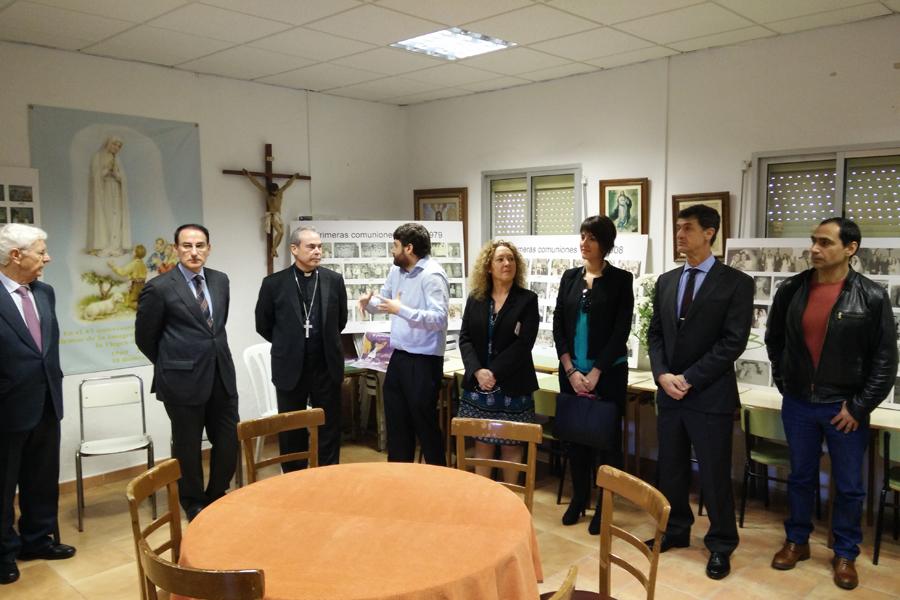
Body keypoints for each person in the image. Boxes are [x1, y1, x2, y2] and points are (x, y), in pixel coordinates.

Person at [765, 218, 897, 590]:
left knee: (850, 485)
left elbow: (885, 360)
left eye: (825, 242)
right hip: (799, 403)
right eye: (813, 241)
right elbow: (775, 340)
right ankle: (797, 541)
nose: (815, 249)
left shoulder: (870, 296)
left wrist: (858, 407)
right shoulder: (792, 289)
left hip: (844, 407)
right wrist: (783, 380)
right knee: (801, 477)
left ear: (850, 248)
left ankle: (845, 553)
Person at [647, 204, 753, 580]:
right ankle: (676, 529)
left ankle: (722, 543)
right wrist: (662, 376)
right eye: (677, 228)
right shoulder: (667, 281)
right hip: (669, 394)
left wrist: (688, 378)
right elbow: (655, 334)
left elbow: (732, 343)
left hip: (709, 396)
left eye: (687, 228)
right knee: (671, 469)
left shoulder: (736, 283)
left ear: (709, 233)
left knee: (715, 474)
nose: (679, 235)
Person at [135, 224, 239, 521]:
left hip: (221, 374)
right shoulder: (159, 287)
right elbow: (145, 338)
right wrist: (172, 363)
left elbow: (215, 329)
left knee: (228, 440)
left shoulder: (220, 281)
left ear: (209, 248)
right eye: (187, 246)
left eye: (200, 245)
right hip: (182, 380)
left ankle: (217, 494)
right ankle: (192, 502)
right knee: (188, 446)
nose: (194, 252)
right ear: (176, 249)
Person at [0, 224, 75, 585]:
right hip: (6, 407)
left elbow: (46, 348)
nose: (47, 257)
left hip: (46, 400)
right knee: (3, 485)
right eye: (41, 251)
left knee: (42, 478)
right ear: (16, 256)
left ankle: (37, 540)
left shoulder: (45, 293)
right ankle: (2, 553)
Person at [553, 216, 634, 535]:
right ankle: (579, 498)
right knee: (576, 438)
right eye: (582, 236)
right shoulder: (569, 277)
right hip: (571, 372)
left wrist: (597, 371)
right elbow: (559, 324)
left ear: (606, 244)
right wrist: (571, 369)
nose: (584, 243)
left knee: (606, 441)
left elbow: (620, 331)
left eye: (591, 238)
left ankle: (605, 505)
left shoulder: (621, 280)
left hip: (608, 373)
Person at [255, 227, 348, 468]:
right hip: (290, 366)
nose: (317, 251)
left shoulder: (333, 280)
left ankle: (328, 476)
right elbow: (263, 324)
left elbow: (341, 321)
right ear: (294, 249)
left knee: (329, 426)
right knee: (291, 427)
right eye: (311, 247)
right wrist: (290, 343)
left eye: (319, 247)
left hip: (325, 365)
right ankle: (294, 477)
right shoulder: (273, 284)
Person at [358, 223, 449, 465]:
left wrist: (403, 311)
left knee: (425, 425)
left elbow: (439, 319)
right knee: (397, 423)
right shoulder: (396, 272)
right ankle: (400, 480)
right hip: (399, 357)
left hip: (424, 361)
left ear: (409, 248)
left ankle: (439, 482)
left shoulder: (432, 274)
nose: (392, 251)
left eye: (395, 246)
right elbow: (386, 303)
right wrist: (369, 303)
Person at [458, 240, 540, 483]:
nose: (507, 263)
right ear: (489, 267)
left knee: (511, 448)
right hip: (478, 386)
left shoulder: (527, 300)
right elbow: (465, 339)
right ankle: (483, 505)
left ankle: (509, 503)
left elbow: (524, 344)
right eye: (501, 259)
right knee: (482, 447)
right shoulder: (476, 298)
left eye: (511, 259)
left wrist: (492, 372)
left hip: (513, 386)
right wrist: (477, 372)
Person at [87, 136, 131, 257]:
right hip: (105, 192)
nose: (116, 148)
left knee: (116, 218)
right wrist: (106, 171)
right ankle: (105, 246)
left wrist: (117, 175)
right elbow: (96, 176)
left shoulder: (117, 159)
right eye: (114, 145)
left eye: (119, 146)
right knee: (107, 218)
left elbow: (122, 178)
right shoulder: (98, 156)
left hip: (116, 191)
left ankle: (115, 246)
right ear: (109, 144)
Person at [242, 169, 300, 258]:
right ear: (271, 191)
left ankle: (274, 249)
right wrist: (249, 175)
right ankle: (273, 250)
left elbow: (287, 184)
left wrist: (294, 177)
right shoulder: (267, 193)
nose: (275, 193)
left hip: (279, 216)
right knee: (280, 232)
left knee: (282, 233)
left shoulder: (280, 192)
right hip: (273, 215)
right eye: (274, 192)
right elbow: (257, 184)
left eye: (276, 191)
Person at [108, 243, 147, 309]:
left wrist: (113, 266)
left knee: (131, 302)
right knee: (139, 298)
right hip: (142, 285)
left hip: (135, 285)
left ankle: (144, 308)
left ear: (135, 253)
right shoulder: (142, 263)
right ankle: (144, 305)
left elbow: (123, 272)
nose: (132, 252)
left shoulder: (134, 264)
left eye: (133, 251)